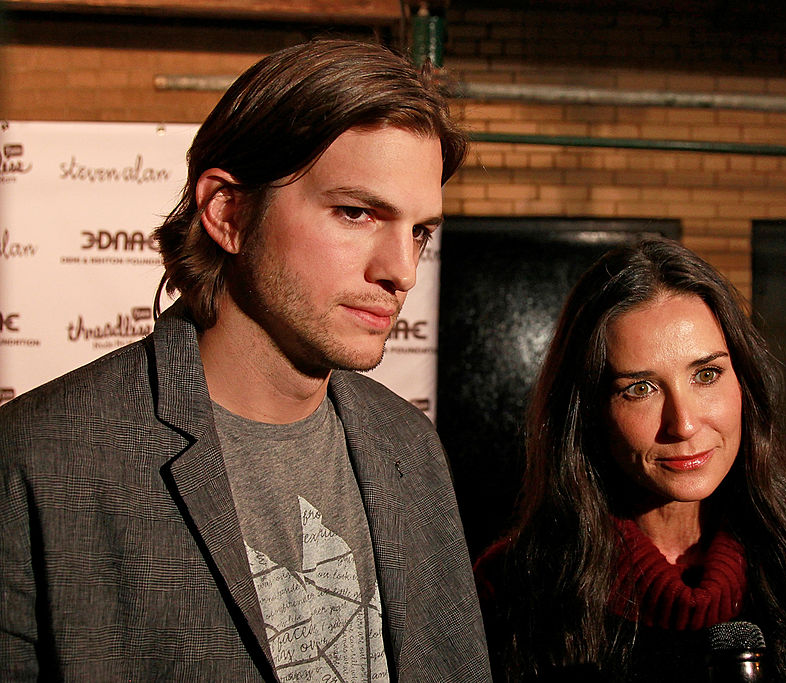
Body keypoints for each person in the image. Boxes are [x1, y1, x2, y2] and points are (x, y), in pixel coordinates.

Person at [0, 39, 491, 682]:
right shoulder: (42, 456)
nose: (401, 271)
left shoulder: (409, 444)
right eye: (355, 213)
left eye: (419, 231)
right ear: (227, 211)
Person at [474, 238, 786, 682]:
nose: (683, 424)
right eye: (640, 388)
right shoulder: (513, 585)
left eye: (707, 374)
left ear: (744, 382)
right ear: (589, 410)